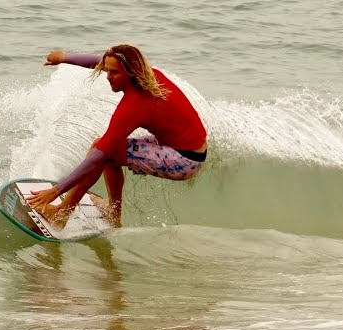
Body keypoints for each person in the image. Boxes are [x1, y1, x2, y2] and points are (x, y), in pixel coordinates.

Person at [25, 45, 208, 228]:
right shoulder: (148, 74)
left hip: (185, 159)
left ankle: (61, 214)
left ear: (129, 73)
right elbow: (98, 62)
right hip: (187, 148)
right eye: (107, 70)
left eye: (114, 73)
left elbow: (97, 158)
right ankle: (113, 213)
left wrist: (56, 191)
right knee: (109, 151)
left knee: (104, 152)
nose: (108, 76)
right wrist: (64, 57)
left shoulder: (136, 105)